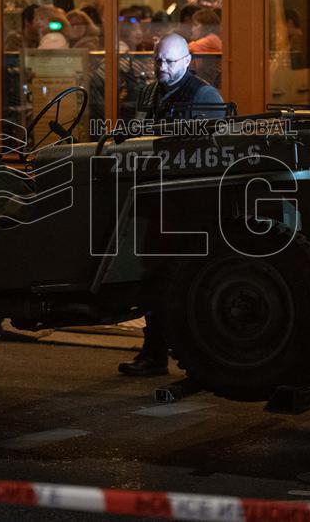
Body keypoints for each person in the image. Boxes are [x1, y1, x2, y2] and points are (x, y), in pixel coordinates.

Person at [118, 33, 225, 377]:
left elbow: (210, 153)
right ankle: (155, 352)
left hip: (187, 202)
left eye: (169, 62)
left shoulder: (204, 96)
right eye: (157, 61)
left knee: (181, 279)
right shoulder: (150, 93)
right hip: (154, 195)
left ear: (187, 62)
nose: (162, 67)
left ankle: (186, 355)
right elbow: (136, 136)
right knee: (154, 276)